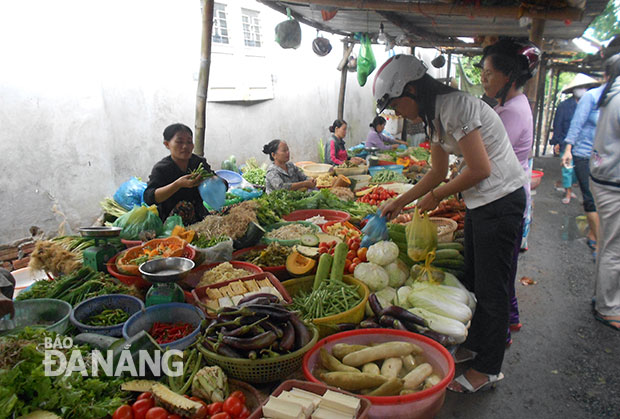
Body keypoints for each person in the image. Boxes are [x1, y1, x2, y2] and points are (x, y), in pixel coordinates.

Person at [375, 54, 526, 393]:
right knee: (475, 279)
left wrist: (438, 196)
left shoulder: (456, 107)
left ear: (411, 89)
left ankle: (488, 369)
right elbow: (437, 172)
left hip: (500, 202)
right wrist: (399, 201)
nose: (396, 112)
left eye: (396, 103)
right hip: (481, 203)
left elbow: (480, 169)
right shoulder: (433, 118)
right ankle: (477, 347)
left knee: (493, 288)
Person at [479, 38, 540, 344]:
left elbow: (484, 162)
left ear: (508, 76)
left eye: (488, 73)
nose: (483, 78)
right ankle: (511, 318)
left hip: (503, 200)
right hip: (507, 195)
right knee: (505, 269)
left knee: (497, 277)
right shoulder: (510, 105)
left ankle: (498, 336)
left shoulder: (512, 112)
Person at [590, 52, 620, 331]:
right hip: (613, 183)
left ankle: (603, 298)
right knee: (615, 248)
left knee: (609, 244)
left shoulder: (611, 95)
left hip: (603, 178)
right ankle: (608, 306)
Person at [143, 123, 224, 226]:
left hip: (199, 215)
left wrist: (213, 181)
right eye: (179, 142)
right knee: (185, 206)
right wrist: (177, 184)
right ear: (167, 144)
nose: (185, 146)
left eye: (189, 142)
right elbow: (150, 198)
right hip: (172, 221)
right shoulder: (161, 168)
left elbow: (219, 181)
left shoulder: (198, 162)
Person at [561, 78, 605, 260]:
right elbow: (576, 124)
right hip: (585, 155)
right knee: (590, 197)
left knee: (602, 200)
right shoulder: (591, 97)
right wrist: (568, 149)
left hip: (606, 158)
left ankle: (596, 235)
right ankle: (598, 241)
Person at [551, 74, 600, 204]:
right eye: (579, 87)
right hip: (565, 141)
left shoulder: (593, 105)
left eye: (584, 87)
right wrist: (556, 142)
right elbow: (558, 124)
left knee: (578, 172)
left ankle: (574, 191)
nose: (582, 89)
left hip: (585, 145)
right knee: (567, 170)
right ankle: (567, 193)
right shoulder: (564, 106)